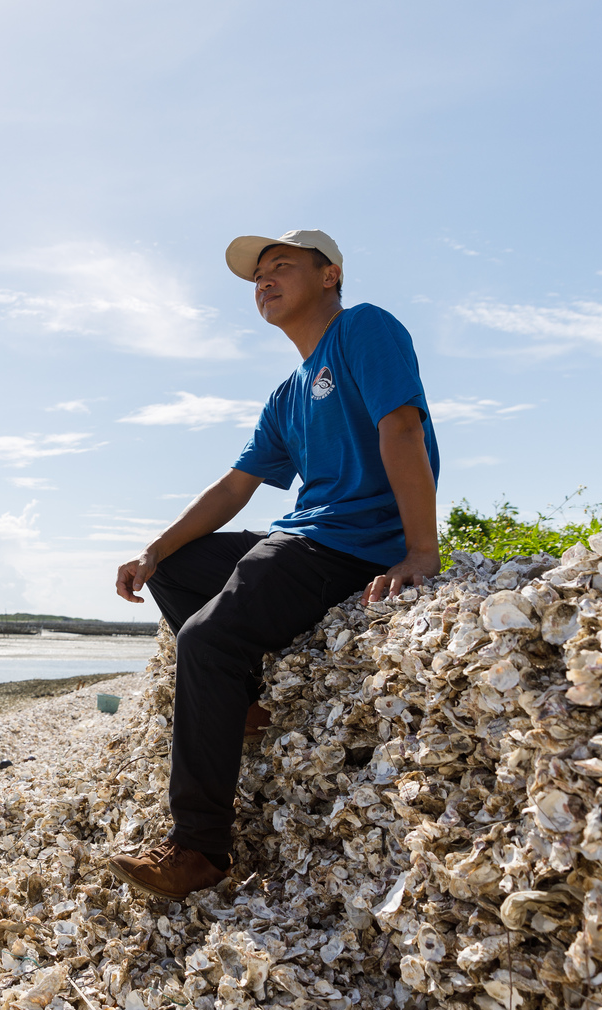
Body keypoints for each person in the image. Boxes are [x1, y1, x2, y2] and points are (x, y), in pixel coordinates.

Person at [106, 229, 440, 901]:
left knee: (204, 637)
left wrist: (420, 550)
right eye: (257, 275)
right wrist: (151, 550)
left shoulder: (363, 330)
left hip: (349, 546)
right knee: (176, 568)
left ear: (329, 275)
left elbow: (400, 428)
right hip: (301, 537)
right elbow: (234, 488)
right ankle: (242, 700)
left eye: (281, 266)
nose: (264, 280)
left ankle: (197, 849)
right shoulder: (287, 393)